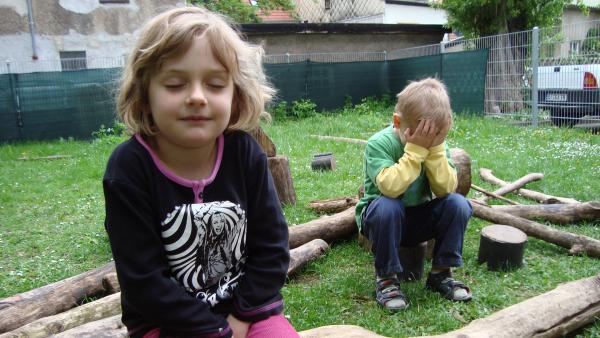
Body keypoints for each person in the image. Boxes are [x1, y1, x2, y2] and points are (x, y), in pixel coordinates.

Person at [103, 6, 298, 338]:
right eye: (176, 84)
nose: (196, 97)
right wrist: (214, 331)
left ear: (235, 95)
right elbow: (144, 281)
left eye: (215, 84)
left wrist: (239, 317)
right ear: (145, 94)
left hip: (246, 312)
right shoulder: (129, 168)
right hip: (167, 322)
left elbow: (272, 248)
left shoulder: (245, 154)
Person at [354, 78, 473, 312]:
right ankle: (387, 279)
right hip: (380, 221)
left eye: (435, 135)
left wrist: (436, 150)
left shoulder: (437, 145)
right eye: (422, 135)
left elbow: (445, 189)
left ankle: (441, 274)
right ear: (397, 122)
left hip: (417, 218)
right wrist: (415, 152)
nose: (428, 141)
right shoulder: (379, 143)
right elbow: (390, 188)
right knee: (389, 205)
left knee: (458, 204)